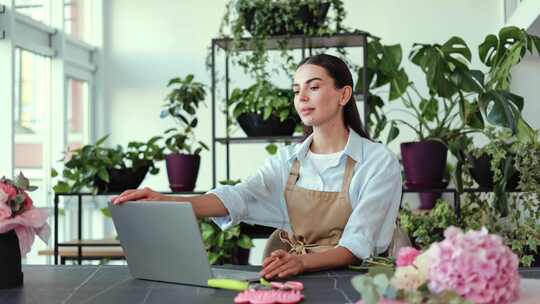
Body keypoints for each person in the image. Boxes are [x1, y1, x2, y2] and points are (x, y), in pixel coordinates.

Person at [112, 54, 402, 280]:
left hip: (361, 284)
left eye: (313, 87)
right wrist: (167, 202)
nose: (301, 98)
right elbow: (241, 196)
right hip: (296, 278)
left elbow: (357, 244)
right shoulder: (287, 162)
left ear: (343, 95)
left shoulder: (377, 162)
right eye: (296, 90)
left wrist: (300, 262)